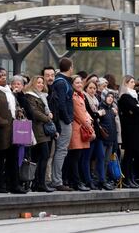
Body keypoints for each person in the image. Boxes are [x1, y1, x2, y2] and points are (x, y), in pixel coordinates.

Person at [0, 68, 27, 194]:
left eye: (4, 75)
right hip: (2, 131)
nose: (4, 77)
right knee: (0, 159)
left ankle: (14, 185)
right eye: (0, 76)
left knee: (13, 158)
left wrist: (19, 111)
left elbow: (15, 106)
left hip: (14, 128)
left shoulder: (9, 91)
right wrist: (2, 121)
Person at [25, 76, 55, 192]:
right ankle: (40, 183)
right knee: (44, 155)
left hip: (43, 129)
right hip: (37, 129)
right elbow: (34, 112)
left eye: (42, 83)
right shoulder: (30, 96)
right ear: (33, 83)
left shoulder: (42, 96)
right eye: (38, 82)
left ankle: (37, 182)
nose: (41, 85)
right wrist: (47, 118)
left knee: (38, 157)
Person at [81, 80, 113, 190]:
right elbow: (90, 114)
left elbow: (97, 115)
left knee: (101, 156)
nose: (92, 90)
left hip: (97, 132)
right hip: (88, 131)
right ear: (86, 89)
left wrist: (97, 114)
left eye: (94, 88)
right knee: (87, 157)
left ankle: (102, 180)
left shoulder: (96, 99)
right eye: (90, 88)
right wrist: (98, 114)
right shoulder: (84, 98)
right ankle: (88, 181)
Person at [50, 58, 74, 191]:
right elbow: (62, 104)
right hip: (63, 121)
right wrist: (67, 119)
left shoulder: (60, 81)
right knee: (61, 150)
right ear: (70, 68)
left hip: (63, 120)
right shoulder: (62, 82)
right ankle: (57, 180)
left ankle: (56, 179)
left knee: (60, 150)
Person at [118, 75, 139, 188]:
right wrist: (137, 107)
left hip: (136, 129)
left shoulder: (134, 96)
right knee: (128, 156)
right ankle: (126, 179)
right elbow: (137, 109)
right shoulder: (125, 96)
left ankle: (131, 178)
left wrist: (138, 107)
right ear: (126, 83)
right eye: (132, 82)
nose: (134, 84)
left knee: (133, 155)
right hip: (130, 131)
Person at [67, 75, 92, 191]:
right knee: (75, 157)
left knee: (77, 157)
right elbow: (79, 114)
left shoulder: (80, 96)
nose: (79, 84)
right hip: (77, 130)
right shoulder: (74, 97)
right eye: (76, 83)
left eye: (80, 82)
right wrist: (89, 126)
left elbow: (85, 112)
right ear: (72, 84)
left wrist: (88, 120)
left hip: (81, 128)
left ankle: (74, 181)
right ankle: (76, 182)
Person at [42, 66, 56, 183]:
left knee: (51, 155)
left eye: (52, 75)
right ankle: (44, 180)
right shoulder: (42, 92)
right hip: (43, 128)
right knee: (45, 156)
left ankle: (48, 179)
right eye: (47, 75)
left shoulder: (54, 90)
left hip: (52, 127)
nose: (50, 78)